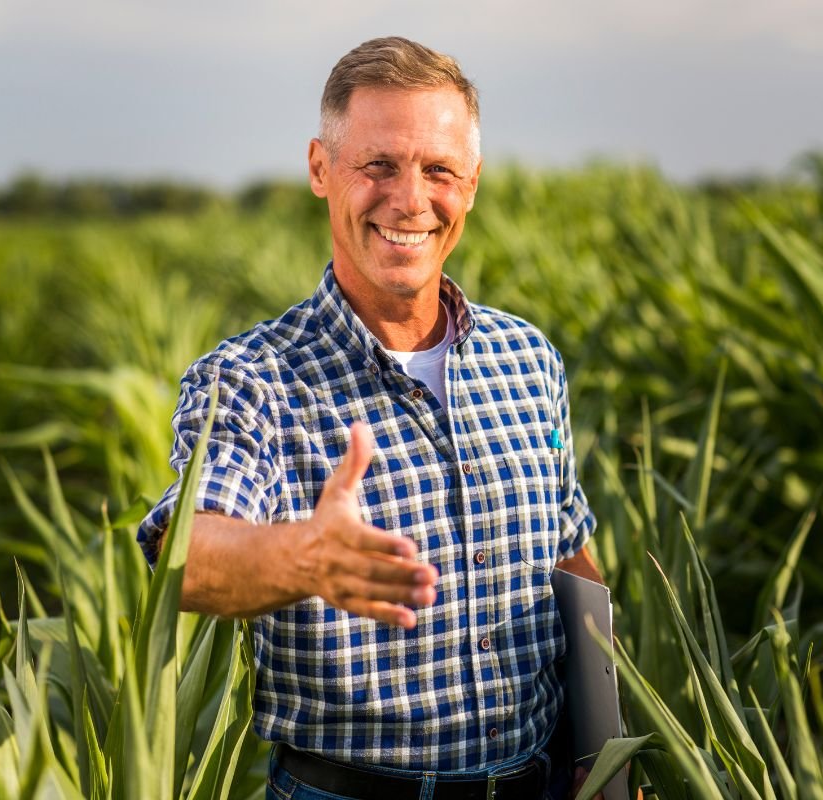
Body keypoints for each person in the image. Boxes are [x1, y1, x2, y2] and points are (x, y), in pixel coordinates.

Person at [138, 36, 603, 800]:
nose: (411, 199)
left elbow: (568, 556)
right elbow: (186, 555)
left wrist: (605, 746)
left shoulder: (528, 357)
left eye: (439, 170)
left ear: (473, 184)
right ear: (322, 169)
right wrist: (305, 558)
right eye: (379, 165)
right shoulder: (254, 379)